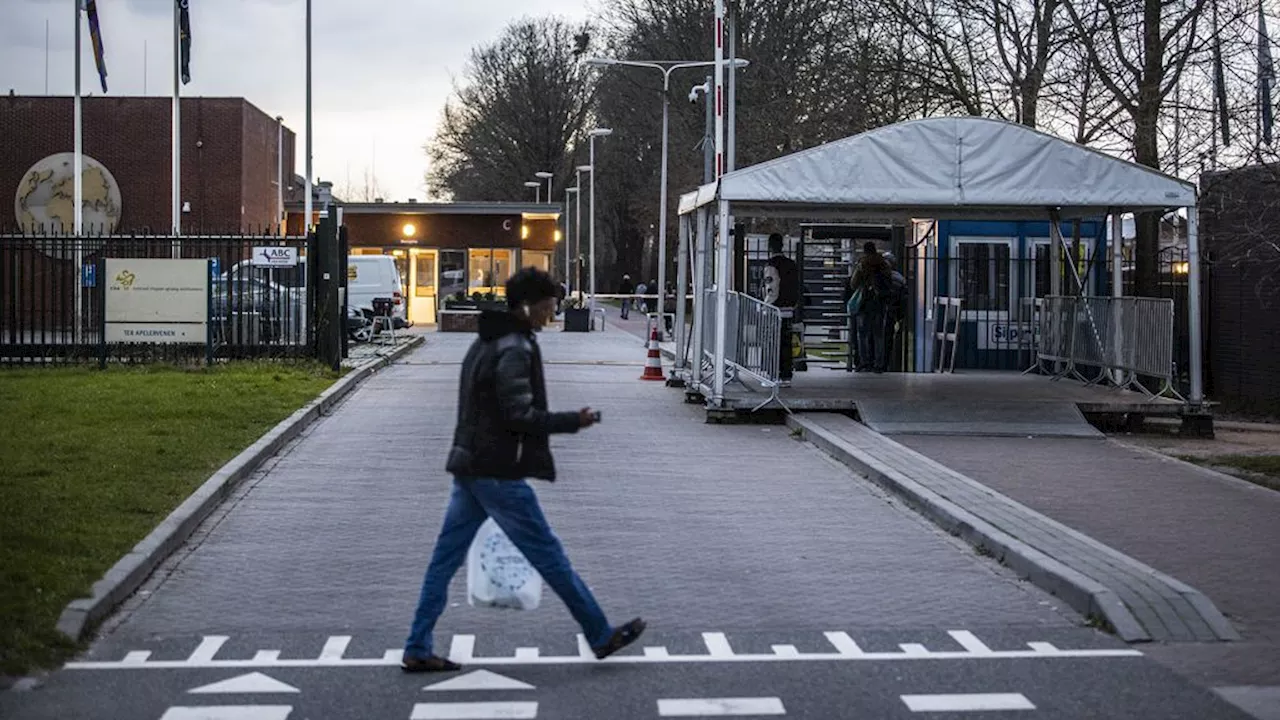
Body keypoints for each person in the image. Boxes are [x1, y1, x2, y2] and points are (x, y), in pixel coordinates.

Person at [402, 267, 646, 673]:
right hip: (498, 470)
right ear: (527, 305)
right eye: (548, 306)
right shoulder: (514, 347)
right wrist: (573, 420)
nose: (551, 314)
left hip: (471, 466)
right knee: (549, 555)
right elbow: (519, 415)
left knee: (444, 560)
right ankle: (600, 634)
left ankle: (417, 644)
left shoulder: (488, 339)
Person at [848, 241, 892, 373]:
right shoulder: (884, 263)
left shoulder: (862, 264)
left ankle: (864, 362)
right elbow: (889, 281)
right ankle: (879, 364)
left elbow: (853, 283)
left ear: (865, 250)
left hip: (865, 303)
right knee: (879, 336)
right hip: (879, 303)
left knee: (862, 335)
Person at [762, 233, 800, 386]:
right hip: (789, 308)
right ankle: (786, 375)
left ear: (770, 246)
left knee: (773, 342)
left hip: (775, 309)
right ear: (782, 245)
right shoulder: (791, 264)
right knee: (786, 343)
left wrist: (766, 306)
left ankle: (773, 374)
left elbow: (772, 288)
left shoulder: (771, 265)